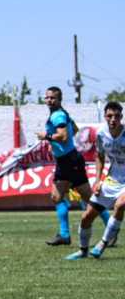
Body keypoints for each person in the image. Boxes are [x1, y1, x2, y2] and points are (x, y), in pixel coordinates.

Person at [36, 87, 107, 246]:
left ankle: (110, 228)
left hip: (70, 161)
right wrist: (54, 144)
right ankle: (64, 235)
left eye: (52, 98)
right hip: (66, 161)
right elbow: (74, 129)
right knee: (57, 196)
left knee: (89, 198)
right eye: (47, 98)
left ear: (59, 99)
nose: (49, 100)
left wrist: (46, 137)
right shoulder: (62, 113)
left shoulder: (58, 115)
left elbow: (64, 135)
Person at [65, 102, 124, 260]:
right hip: (113, 180)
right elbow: (99, 156)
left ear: (121, 117)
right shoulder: (101, 134)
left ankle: (103, 243)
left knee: (120, 205)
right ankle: (83, 250)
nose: (113, 119)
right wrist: (98, 180)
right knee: (86, 217)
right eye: (110, 116)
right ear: (105, 117)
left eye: (117, 116)